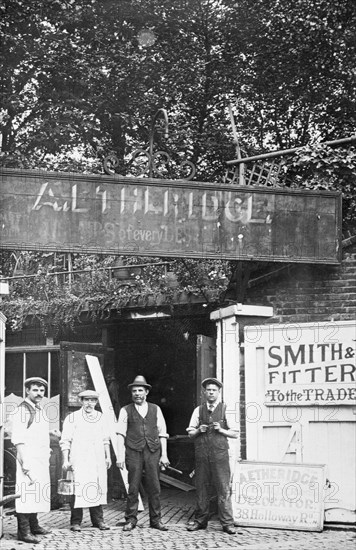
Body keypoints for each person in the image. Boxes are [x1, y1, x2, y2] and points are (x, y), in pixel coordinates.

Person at [116, 375, 170, 531]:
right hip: (133, 451)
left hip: (153, 451)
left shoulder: (155, 409)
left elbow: (163, 433)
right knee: (133, 486)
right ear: (131, 393)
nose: (137, 393)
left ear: (146, 392)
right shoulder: (125, 410)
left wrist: (164, 455)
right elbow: (120, 435)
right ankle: (131, 519)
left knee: (154, 486)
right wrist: (120, 456)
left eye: (140, 390)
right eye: (134, 391)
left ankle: (156, 520)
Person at [186, 378, 238, 535]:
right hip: (202, 455)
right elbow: (190, 434)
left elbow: (235, 433)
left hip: (220, 455)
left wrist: (221, 430)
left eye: (214, 390)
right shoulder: (198, 410)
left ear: (218, 392)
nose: (211, 392)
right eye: (208, 390)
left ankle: (227, 523)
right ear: (204, 392)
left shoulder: (225, 409)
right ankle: (200, 521)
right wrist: (198, 431)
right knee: (201, 488)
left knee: (223, 487)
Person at [10, 377, 54, 544]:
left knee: (37, 492)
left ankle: (34, 525)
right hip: (27, 458)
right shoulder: (21, 410)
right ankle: (24, 531)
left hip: (40, 458)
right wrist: (25, 462)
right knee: (26, 494)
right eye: (35, 390)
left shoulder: (39, 409)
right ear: (27, 390)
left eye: (42, 390)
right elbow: (19, 438)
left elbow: (37, 432)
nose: (39, 393)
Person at [60, 389, 111, 532]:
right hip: (79, 459)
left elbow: (105, 439)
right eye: (86, 400)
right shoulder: (73, 418)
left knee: (96, 487)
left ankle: (98, 521)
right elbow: (65, 440)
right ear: (81, 401)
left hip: (97, 459)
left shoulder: (100, 417)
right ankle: (75, 522)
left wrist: (107, 456)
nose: (90, 403)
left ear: (96, 402)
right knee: (79, 489)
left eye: (93, 400)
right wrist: (65, 459)